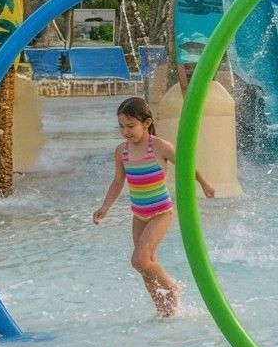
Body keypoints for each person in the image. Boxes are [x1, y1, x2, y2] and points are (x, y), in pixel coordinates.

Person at [92, 97, 215, 317]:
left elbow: (186, 166)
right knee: (145, 267)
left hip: (161, 212)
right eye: (121, 127)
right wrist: (105, 207)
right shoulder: (121, 151)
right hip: (139, 214)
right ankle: (164, 311)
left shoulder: (159, 147)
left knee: (139, 259)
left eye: (131, 126)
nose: (126, 132)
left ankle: (172, 287)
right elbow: (118, 181)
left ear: (146, 123)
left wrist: (204, 183)